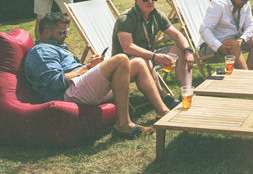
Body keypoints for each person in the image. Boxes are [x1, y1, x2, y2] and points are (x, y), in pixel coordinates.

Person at [24, 12, 167, 139]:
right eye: (62, 32)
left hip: (79, 88)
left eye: (67, 31)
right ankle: (123, 125)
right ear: (47, 32)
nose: (66, 35)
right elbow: (55, 82)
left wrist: (88, 67)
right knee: (121, 59)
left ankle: (163, 112)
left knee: (138, 63)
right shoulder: (41, 51)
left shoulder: (54, 47)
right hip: (67, 94)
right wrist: (87, 67)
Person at [112, 0, 194, 106]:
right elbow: (127, 47)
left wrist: (188, 51)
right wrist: (154, 57)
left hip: (150, 57)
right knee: (144, 60)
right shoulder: (126, 19)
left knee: (179, 50)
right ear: (136, 1)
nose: (150, 1)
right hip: (125, 64)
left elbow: (177, 35)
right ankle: (163, 97)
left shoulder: (156, 14)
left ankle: (187, 92)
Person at [198, 0, 253, 69]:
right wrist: (218, 46)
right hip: (211, 46)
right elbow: (204, 29)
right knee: (233, 43)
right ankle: (246, 78)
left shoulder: (244, 4)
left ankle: (246, 73)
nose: (245, 2)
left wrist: (242, 39)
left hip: (235, 42)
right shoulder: (218, 5)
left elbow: (250, 26)